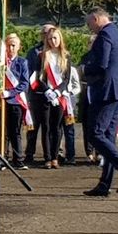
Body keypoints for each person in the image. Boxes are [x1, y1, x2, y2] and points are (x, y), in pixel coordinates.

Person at [81, 7, 118, 195]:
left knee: (96, 134)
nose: (89, 26)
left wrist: (84, 69)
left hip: (108, 92)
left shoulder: (105, 36)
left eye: (89, 22)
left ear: (97, 18)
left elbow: (102, 64)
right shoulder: (116, 33)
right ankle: (105, 184)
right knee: (107, 138)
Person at [37, 27, 81, 169]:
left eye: (55, 38)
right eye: (50, 38)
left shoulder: (66, 56)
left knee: (57, 127)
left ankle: (55, 157)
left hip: (60, 96)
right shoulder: (43, 55)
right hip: (46, 96)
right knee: (46, 127)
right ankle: (47, 157)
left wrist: (57, 92)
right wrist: (48, 91)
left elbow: (67, 79)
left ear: (60, 39)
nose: (53, 41)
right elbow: (39, 78)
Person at [23, 23, 57, 164]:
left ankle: (49, 155)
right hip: (36, 93)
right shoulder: (34, 52)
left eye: (48, 32)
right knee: (33, 126)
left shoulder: (56, 52)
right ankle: (29, 153)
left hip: (53, 95)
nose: (45, 35)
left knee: (49, 127)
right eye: (43, 33)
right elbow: (31, 72)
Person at [0, 33, 30, 169]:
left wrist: (10, 93)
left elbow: (24, 84)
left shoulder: (22, 62)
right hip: (3, 103)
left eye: (13, 45)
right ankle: (2, 157)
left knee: (15, 131)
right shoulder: (1, 63)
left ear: (18, 47)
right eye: (8, 45)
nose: (10, 48)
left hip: (16, 101)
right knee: (3, 132)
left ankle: (18, 159)